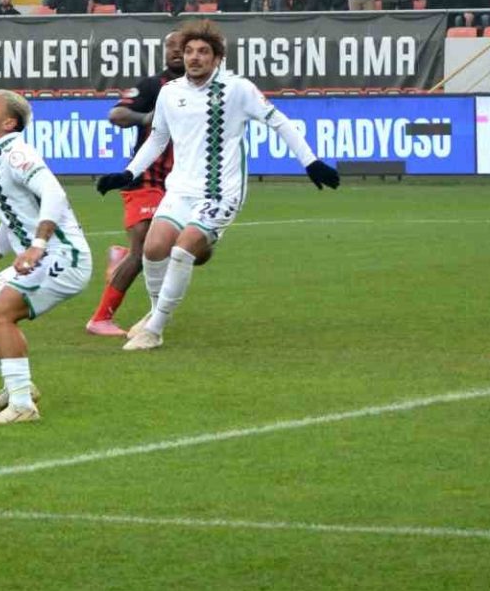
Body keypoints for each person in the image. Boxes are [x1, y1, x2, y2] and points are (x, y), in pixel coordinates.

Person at [96, 20, 340, 350]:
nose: (194, 57)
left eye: (203, 52)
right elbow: (157, 138)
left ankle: (155, 329)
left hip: (220, 192)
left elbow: (279, 122)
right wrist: (128, 173)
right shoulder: (170, 92)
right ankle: (155, 312)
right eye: (189, 51)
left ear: (217, 58)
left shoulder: (238, 89)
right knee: (153, 250)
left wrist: (310, 162)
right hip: (179, 190)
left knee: (182, 250)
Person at [0, 90, 92, 425]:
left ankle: (22, 405)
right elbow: (12, 221)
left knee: (0, 311)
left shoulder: (17, 154)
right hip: (42, 256)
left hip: (65, 256)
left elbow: (54, 193)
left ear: (8, 123)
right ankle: (17, 386)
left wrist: (38, 245)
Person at [86, 30, 190, 337]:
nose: (175, 51)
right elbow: (116, 114)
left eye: (182, 46)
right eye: (170, 46)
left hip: (181, 184)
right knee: (145, 248)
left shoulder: (202, 90)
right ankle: (100, 319)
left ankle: (121, 260)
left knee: (191, 249)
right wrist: (147, 118)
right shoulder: (152, 86)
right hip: (146, 178)